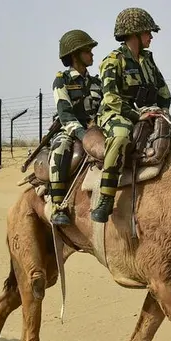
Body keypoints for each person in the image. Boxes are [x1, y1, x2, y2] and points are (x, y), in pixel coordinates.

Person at [90, 7, 171, 223]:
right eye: (147, 32)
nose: (151, 37)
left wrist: (161, 111)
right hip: (116, 113)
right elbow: (110, 98)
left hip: (147, 112)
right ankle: (106, 198)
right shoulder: (113, 60)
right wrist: (136, 116)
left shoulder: (148, 61)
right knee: (120, 137)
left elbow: (164, 91)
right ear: (133, 34)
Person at [48, 29, 103, 226]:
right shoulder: (62, 80)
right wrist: (82, 134)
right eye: (88, 50)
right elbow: (65, 114)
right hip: (71, 131)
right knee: (60, 150)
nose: (92, 54)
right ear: (75, 54)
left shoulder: (97, 82)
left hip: (97, 130)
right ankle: (57, 205)